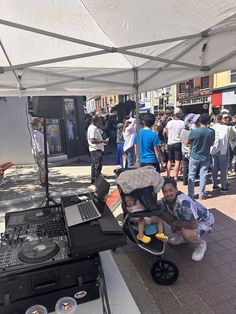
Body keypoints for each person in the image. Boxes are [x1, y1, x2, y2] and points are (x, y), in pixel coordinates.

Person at [159, 177, 214, 262]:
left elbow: (193, 224)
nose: (168, 194)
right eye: (165, 191)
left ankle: (201, 244)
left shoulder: (184, 202)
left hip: (203, 221)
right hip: (187, 220)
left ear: (176, 190)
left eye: (170, 190)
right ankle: (182, 238)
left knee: (187, 233)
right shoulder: (165, 201)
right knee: (163, 214)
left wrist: (174, 224)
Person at [188, 113, 215, 200]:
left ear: (199, 121)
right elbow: (212, 143)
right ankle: (201, 194)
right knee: (203, 175)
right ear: (208, 121)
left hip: (194, 155)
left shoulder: (194, 131)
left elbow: (188, 142)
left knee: (191, 175)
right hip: (206, 156)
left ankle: (191, 195)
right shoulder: (211, 131)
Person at [210, 113, 231, 192]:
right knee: (223, 169)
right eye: (225, 118)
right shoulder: (226, 128)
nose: (227, 119)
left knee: (215, 168)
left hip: (214, 150)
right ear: (220, 119)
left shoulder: (213, 126)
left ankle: (215, 184)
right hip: (223, 150)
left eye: (228, 117)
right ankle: (223, 186)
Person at [164, 108, 185, 180]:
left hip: (170, 142)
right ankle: (175, 176)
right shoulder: (182, 123)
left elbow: (166, 133)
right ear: (179, 114)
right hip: (178, 142)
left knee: (169, 160)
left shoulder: (169, 123)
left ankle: (168, 175)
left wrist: (169, 136)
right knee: (177, 160)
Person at [87, 115, 108, 184]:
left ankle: (93, 180)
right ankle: (97, 181)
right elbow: (93, 140)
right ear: (96, 121)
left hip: (93, 149)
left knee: (94, 165)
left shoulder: (90, 127)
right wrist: (103, 141)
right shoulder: (94, 128)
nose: (99, 123)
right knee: (97, 166)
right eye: (98, 121)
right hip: (96, 149)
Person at [180, 114, 200, 185]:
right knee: (192, 167)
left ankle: (185, 181)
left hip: (184, 150)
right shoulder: (193, 130)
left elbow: (182, 140)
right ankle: (191, 181)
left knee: (185, 166)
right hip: (191, 151)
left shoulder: (182, 130)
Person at [31, 117, 46, 187]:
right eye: (40, 123)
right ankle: (41, 182)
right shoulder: (36, 133)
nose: (41, 124)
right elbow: (36, 144)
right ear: (37, 124)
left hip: (41, 152)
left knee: (42, 168)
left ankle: (43, 181)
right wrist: (40, 152)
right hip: (39, 153)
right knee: (40, 168)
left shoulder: (38, 132)